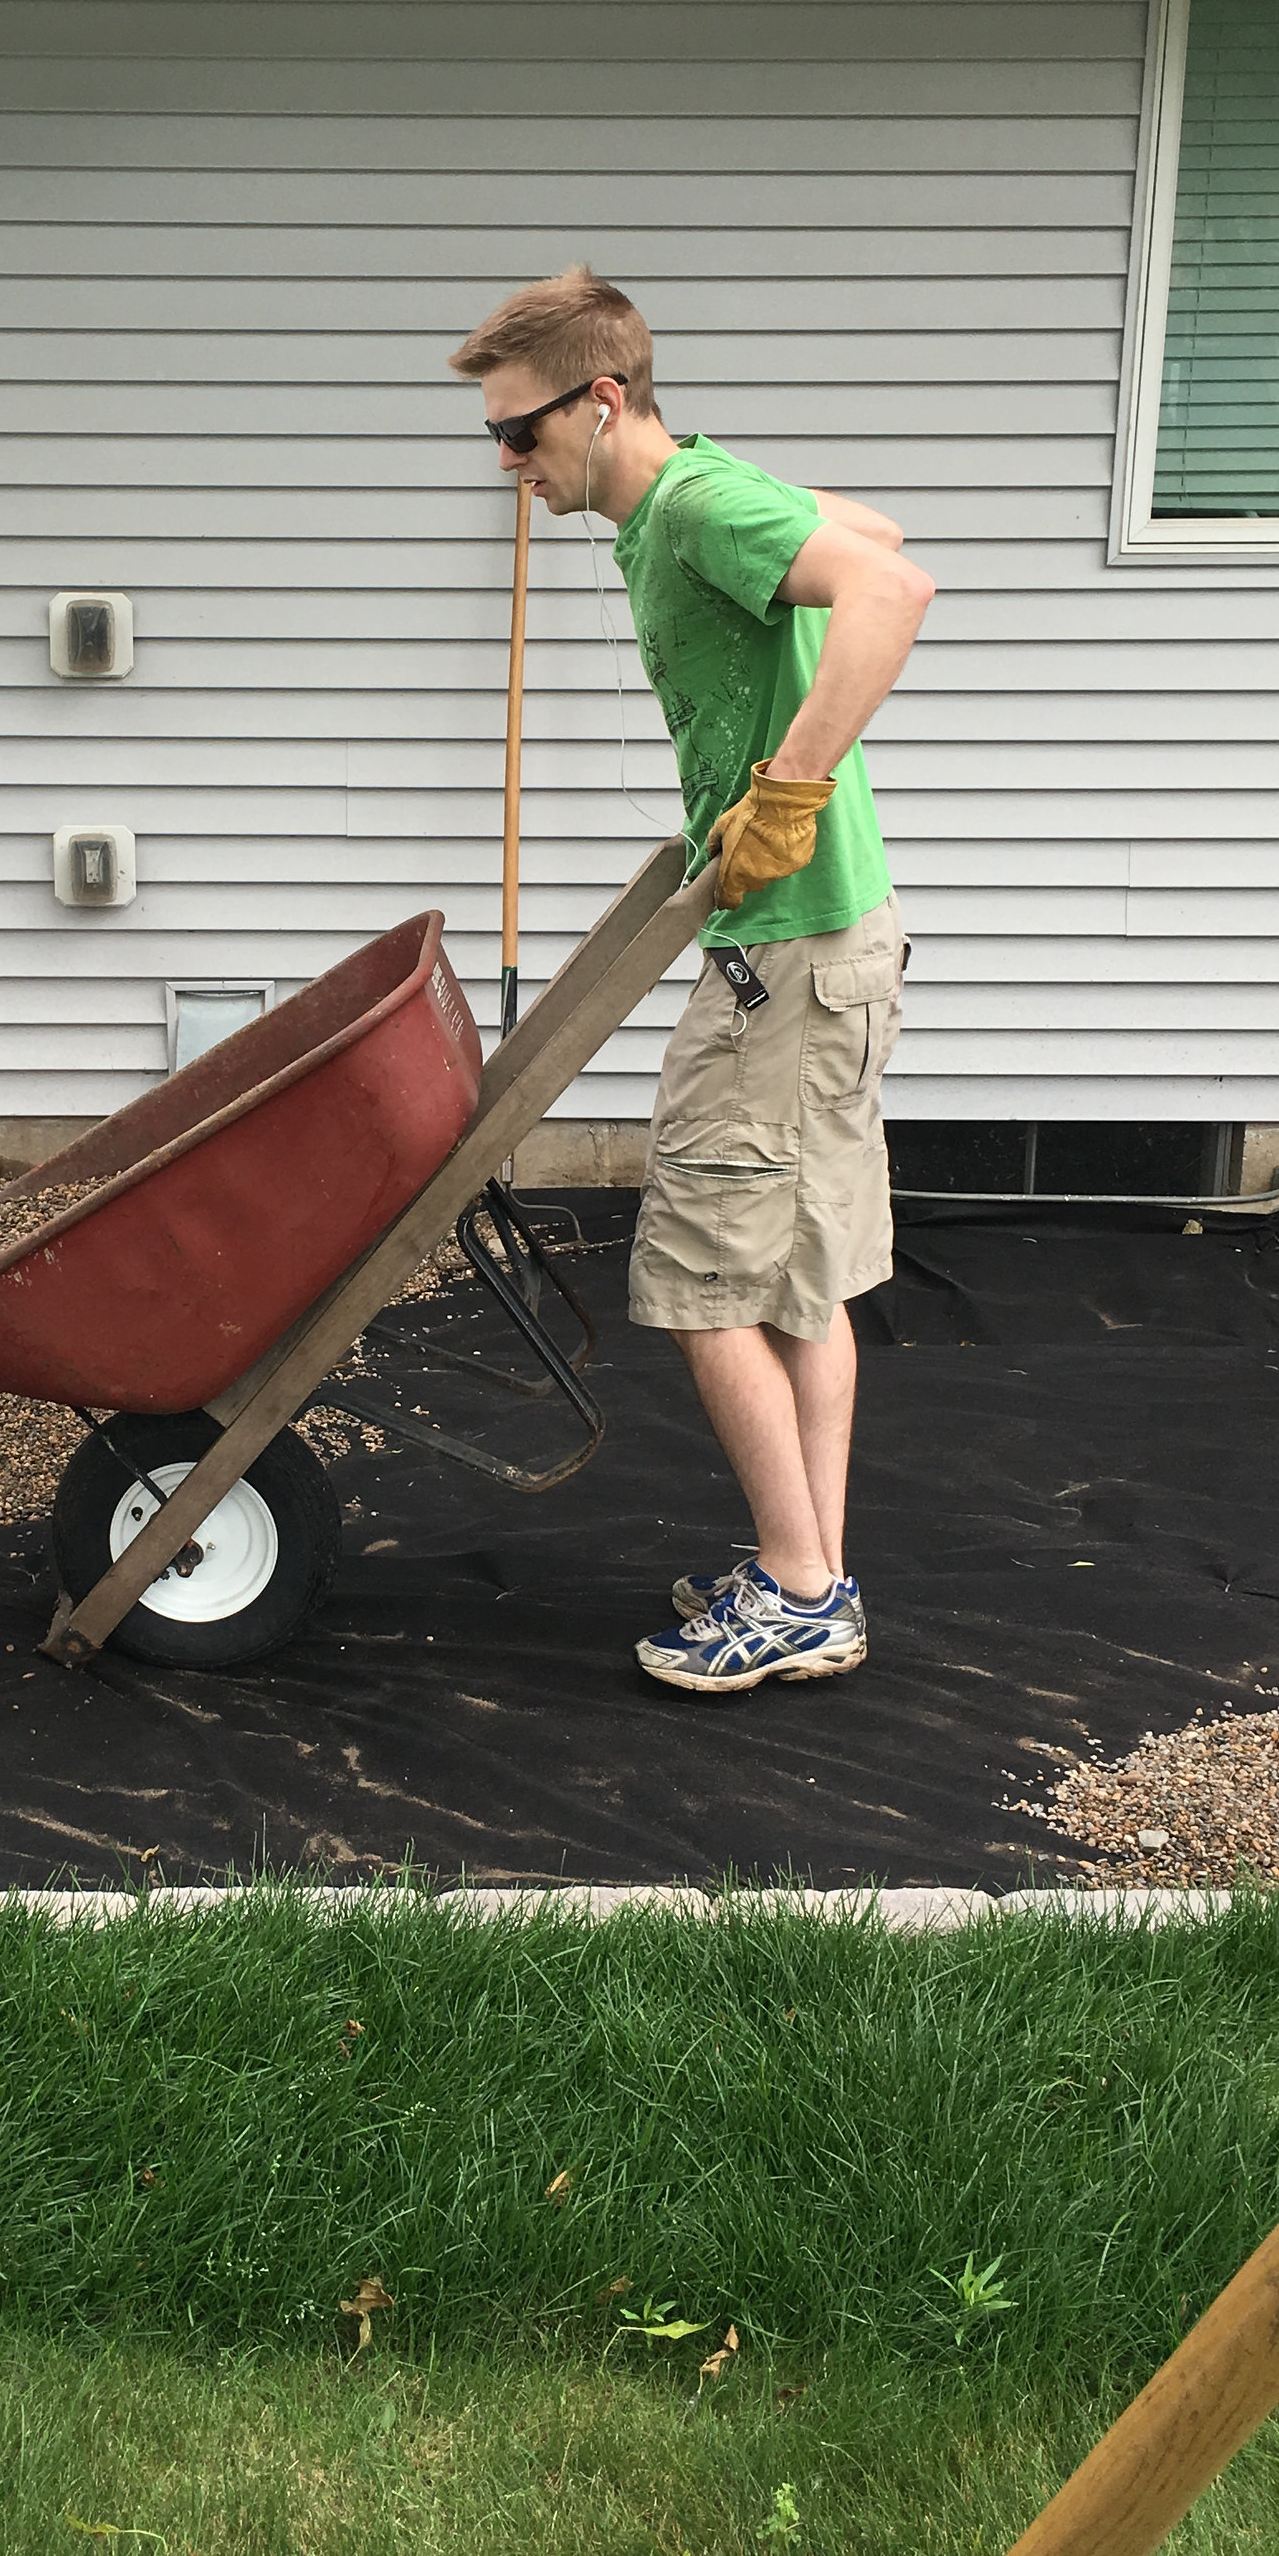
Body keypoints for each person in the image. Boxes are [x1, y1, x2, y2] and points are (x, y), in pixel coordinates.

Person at [448, 266, 932, 1695]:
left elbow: (892, 586)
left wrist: (788, 783)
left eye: (520, 434)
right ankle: (814, 1575)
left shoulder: (699, 506)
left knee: (706, 1278)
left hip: (784, 955)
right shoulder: (700, 491)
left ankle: (795, 1590)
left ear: (601, 403)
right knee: (804, 1275)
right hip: (835, 944)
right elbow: (876, 529)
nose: (508, 465)